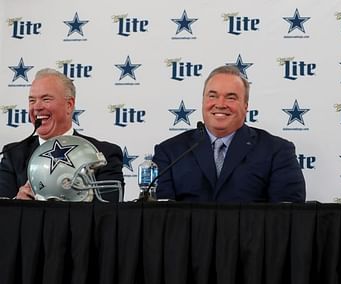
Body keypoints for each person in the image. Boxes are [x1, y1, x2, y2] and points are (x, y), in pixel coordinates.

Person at [153, 65, 306, 202]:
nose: (220, 104)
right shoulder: (169, 152)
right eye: (212, 96)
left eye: (231, 97)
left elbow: (288, 217)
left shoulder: (277, 151)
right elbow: (158, 217)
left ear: (246, 106)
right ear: (203, 101)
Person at [0, 68, 124, 201]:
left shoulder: (104, 153)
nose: (36, 107)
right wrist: (18, 204)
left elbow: (108, 214)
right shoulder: (13, 155)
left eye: (46, 99)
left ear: (69, 105)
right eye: (32, 100)